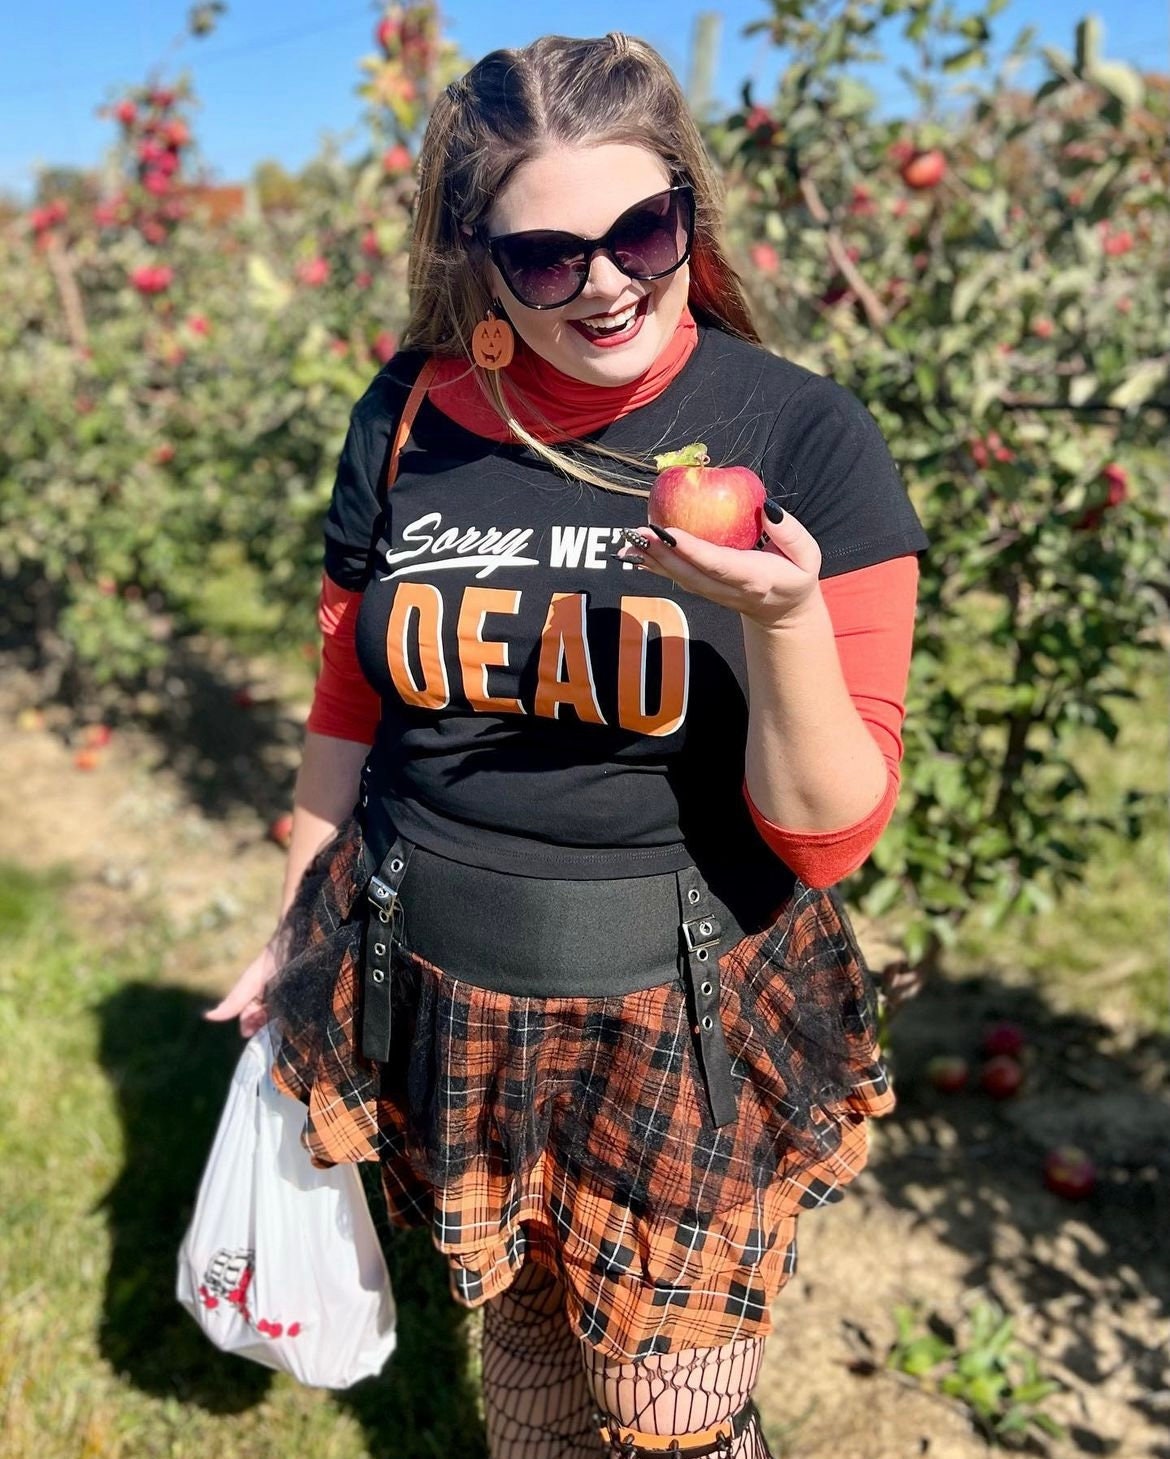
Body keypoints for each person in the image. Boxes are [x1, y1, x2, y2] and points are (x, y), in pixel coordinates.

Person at [206, 31, 927, 1459]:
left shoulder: (796, 433)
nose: (603, 281)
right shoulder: (408, 412)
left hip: (674, 1006)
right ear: (474, 254)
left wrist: (778, 621)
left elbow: (829, 833)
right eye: (544, 254)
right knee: (525, 1345)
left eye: (642, 230)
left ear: (688, 214)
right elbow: (350, 694)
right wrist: (294, 926)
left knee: (673, 1417)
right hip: (445, 979)